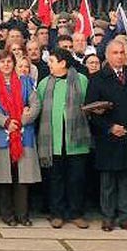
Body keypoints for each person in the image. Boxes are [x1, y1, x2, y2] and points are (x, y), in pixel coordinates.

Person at [84, 40, 127, 232]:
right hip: (108, 137)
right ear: (108, 56)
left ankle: (126, 216)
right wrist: (109, 127)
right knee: (108, 181)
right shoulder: (97, 79)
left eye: (122, 52)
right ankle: (108, 216)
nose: (119, 56)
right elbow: (90, 110)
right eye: (115, 53)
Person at [0, 49, 40, 226]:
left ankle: (23, 214)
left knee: (22, 178)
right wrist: (6, 121)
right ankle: (7, 215)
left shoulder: (26, 82)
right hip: (1, 134)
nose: (6, 65)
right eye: (2, 62)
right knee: (4, 178)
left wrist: (22, 120)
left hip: (23, 134)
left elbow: (35, 104)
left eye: (9, 61)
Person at [37, 48, 91, 229]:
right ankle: (57, 213)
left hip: (76, 139)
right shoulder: (45, 83)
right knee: (55, 178)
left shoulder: (81, 80)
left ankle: (76, 213)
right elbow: (38, 106)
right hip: (53, 140)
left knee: (76, 178)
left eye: (52, 61)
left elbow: (88, 104)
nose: (49, 64)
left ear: (63, 63)